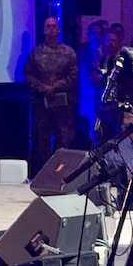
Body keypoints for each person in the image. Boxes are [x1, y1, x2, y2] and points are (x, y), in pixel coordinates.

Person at [24, 16, 78, 175]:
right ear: (43, 30)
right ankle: (44, 174)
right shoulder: (36, 53)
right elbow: (28, 75)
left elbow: (73, 76)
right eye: (48, 26)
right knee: (41, 140)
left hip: (63, 104)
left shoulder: (69, 53)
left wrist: (55, 87)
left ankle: (62, 174)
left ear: (59, 29)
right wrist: (42, 87)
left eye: (54, 26)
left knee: (64, 139)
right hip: (42, 103)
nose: (51, 29)